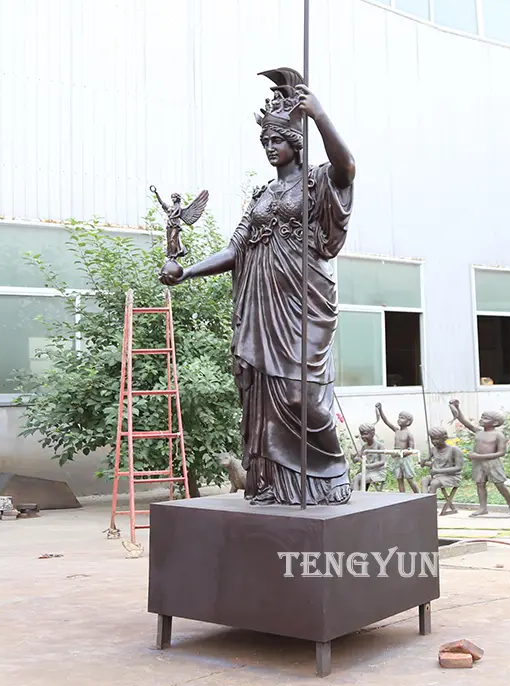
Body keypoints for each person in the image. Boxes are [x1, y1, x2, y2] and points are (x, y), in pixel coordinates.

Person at [160, 68, 356, 506]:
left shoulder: (317, 180)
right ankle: (274, 483)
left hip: (303, 300)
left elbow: (347, 168)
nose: (270, 147)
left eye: (278, 140)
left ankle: (330, 475)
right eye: (266, 140)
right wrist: (185, 272)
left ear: (296, 142)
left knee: (301, 394)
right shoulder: (262, 195)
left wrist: (320, 116)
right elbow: (235, 249)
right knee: (265, 398)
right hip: (261, 304)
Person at [449, 399, 510, 516]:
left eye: (485, 418)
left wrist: (479, 456)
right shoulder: (478, 432)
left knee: (499, 484)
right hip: (478, 463)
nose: (481, 420)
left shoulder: (498, 435)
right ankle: (482, 508)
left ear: (495, 423)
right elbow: (463, 421)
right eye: (482, 417)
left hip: (493, 463)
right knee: (480, 484)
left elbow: (501, 453)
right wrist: (456, 407)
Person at [376, 402, 419, 492]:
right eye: (399, 417)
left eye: (402, 418)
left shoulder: (409, 434)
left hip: (405, 459)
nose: (399, 419)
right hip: (397, 458)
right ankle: (402, 496)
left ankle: (419, 495)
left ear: (408, 422)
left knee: (410, 479)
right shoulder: (396, 430)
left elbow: (411, 449)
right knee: (399, 478)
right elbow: (386, 421)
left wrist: (404, 453)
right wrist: (380, 409)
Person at [421, 426, 464, 515]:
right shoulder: (433, 449)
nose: (434, 441)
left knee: (434, 483)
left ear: (444, 438)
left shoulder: (454, 450)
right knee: (424, 480)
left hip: (452, 476)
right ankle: (425, 502)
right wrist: (423, 461)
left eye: (436, 439)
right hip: (437, 476)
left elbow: (458, 467)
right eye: (432, 439)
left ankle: (431, 507)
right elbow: (425, 463)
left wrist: (437, 471)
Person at [351, 423, 387, 491]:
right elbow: (357, 458)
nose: (363, 436)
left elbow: (382, 462)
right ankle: (357, 494)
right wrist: (354, 458)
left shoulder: (379, 446)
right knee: (355, 480)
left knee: (359, 479)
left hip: (378, 472)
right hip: (367, 471)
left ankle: (359, 494)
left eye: (365, 434)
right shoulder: (364, 447)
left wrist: (369, 466)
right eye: (361, 434)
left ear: (373, 433)